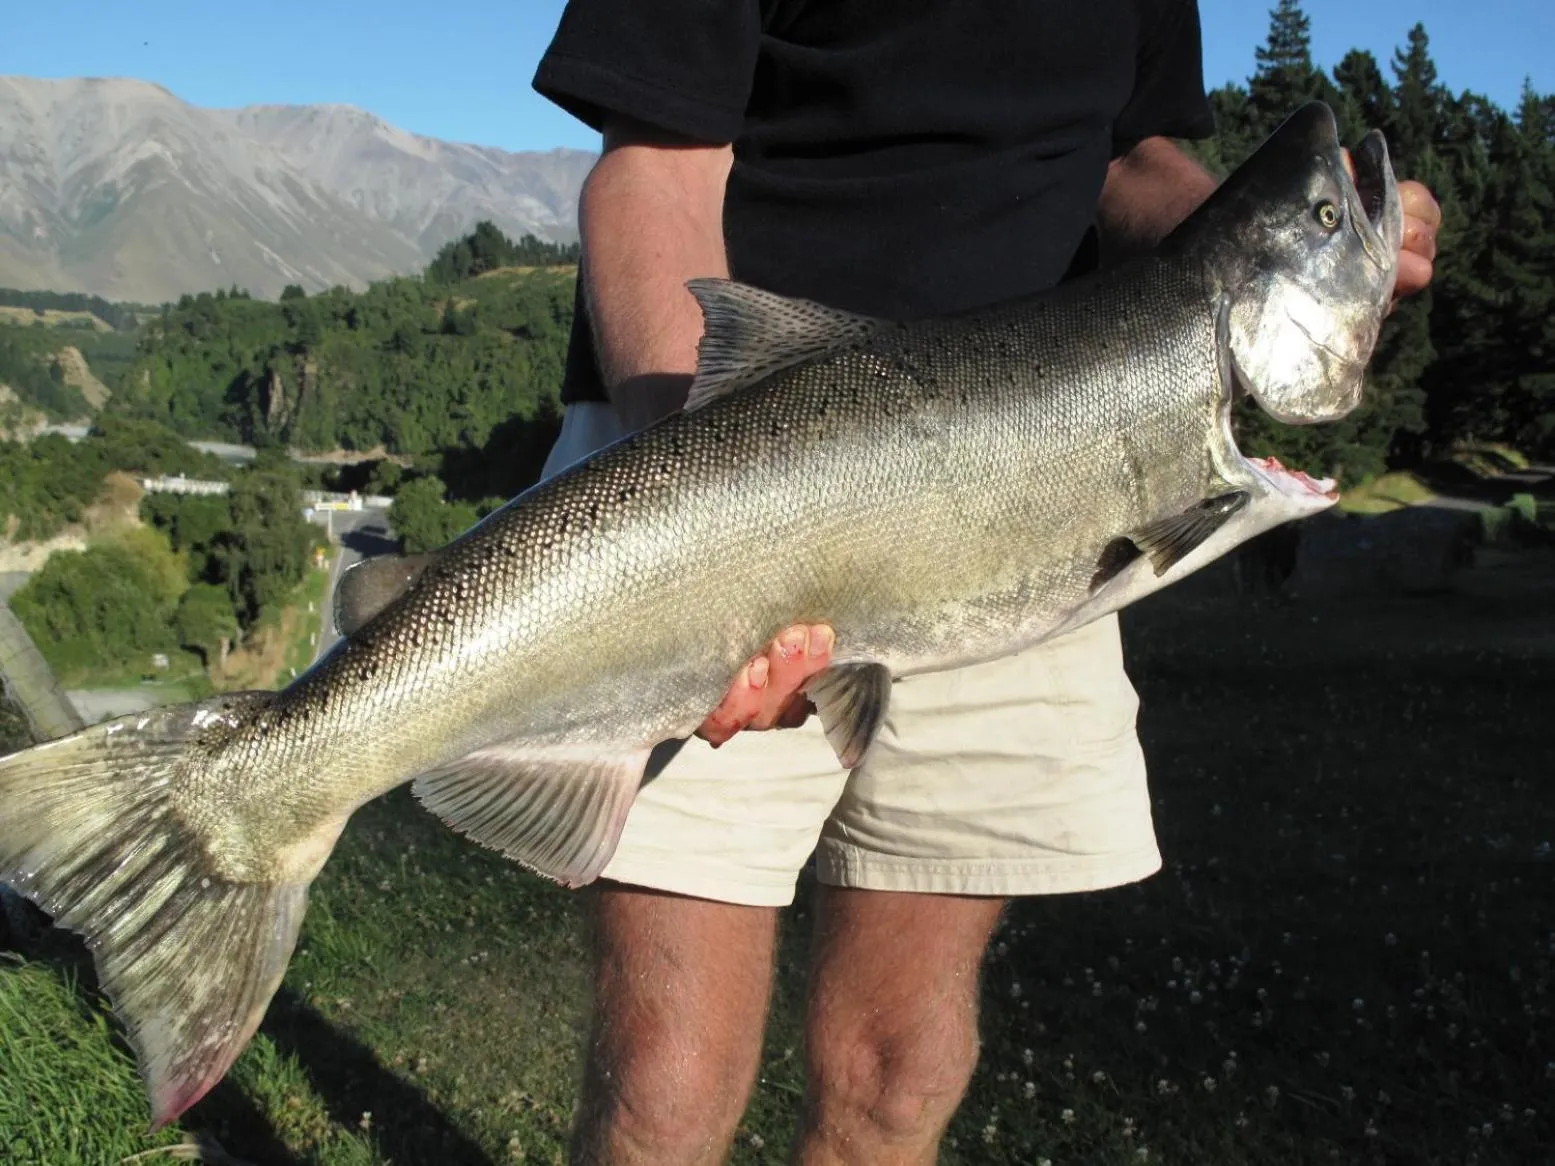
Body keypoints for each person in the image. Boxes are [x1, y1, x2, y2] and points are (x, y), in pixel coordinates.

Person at [529, 4, 1441, 1162]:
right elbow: (655, 166)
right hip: (710, 460)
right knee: (666, 1086)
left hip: (1043, 485)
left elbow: (1129, 157)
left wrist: (1290, 246)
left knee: (900, 1076)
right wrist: (719, 533)